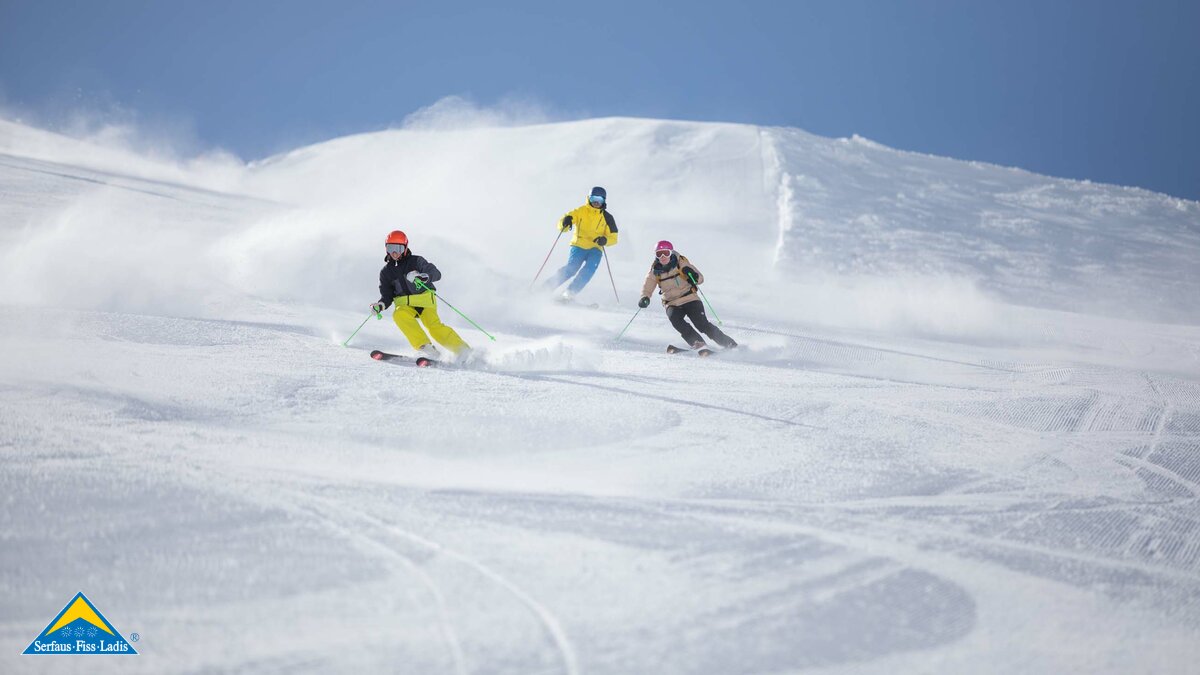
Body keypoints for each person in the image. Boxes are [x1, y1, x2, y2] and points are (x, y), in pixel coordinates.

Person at [370, 230, 470, 359]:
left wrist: (424, 277)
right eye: (391, 248)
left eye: (398, 248)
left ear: (405, 248)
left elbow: (436, 273)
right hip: (406, 305)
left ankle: (463, 351)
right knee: (399, 315)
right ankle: (426, 348)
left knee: (434, 327)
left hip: (424, 301)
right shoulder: (386, 272)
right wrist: (381, 305)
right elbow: (387, 295)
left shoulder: (416, 261)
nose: (394, 252)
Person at [638, 240, 737, 350]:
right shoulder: (654, 271)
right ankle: (698, 343)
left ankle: (728, 343)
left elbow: (700, 278)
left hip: (690, 298)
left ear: (671, 252)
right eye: (659, 254)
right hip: (671, 302)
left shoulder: (681, 263)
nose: (662, 257)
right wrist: (645, 297)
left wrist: (693, 276)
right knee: (676, 321)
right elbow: (648, 286)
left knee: (701, 324)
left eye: (666, 253)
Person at [544, 186, 619, 300]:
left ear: (604, 200)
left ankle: (569, 293)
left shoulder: (608, 218)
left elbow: (614, 237)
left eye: (600, 200)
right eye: (594, 198)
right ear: (589, 198)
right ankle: (546, 288)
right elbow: (563, 223)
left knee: (589, 270)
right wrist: (565, 222)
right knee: (571, 268)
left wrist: (605, 240)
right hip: (578, 246)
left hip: (596, 248)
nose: (596, 202)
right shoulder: (580, 211)